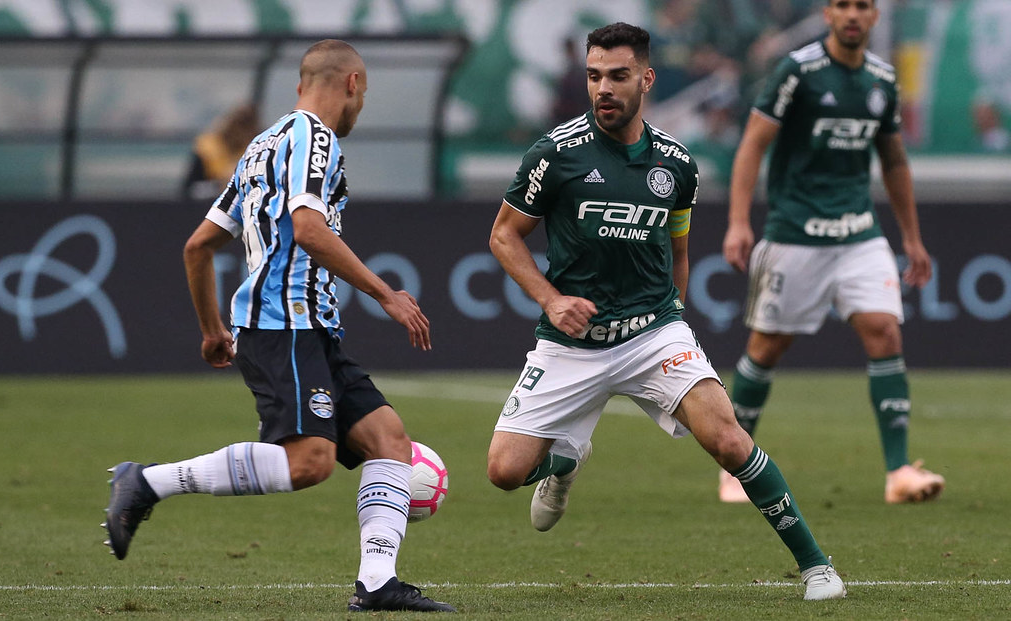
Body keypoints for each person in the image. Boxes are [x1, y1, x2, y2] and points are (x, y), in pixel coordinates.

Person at [486, 22, 846, 601]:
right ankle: (563, 464)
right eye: (595, 75)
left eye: (618, 76)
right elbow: (504, 236)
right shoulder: (555, 154)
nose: (604, 88)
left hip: (651, 332)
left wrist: (673, 319)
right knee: (504, 472)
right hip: (570, 344)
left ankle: (817, 567)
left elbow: (677, 250)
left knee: (729, 439)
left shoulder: (677, 165)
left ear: (646, 78)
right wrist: (551, 299)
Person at [102, 39, 455, 614]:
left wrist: (213, 328)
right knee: (308, 463)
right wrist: (385, 294)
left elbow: (198, 246)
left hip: (304, 326)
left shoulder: (260, 147)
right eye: (363, 93)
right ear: (354, 84)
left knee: (390, 441)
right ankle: (147, 482)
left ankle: (377, 584)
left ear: (299, 84)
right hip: (282, 323)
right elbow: (311, 229)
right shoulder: (317, 140)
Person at [718, 0, 946, 505]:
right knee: (766, 348)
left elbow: (893, 160)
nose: (852, 14)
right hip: (795, 234)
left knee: (884, 331)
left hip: (858, 233)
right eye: (842, 4)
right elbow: (754, 144)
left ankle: (899, 471)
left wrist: (911, 238)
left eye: (862, 5)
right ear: (827, 13)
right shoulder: (797, 71)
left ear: (874, 17)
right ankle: (734, 465)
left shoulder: (883, 80)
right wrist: (738, 222)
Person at [182, 102, 260, 200]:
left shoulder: (258, 149)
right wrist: (219, 185)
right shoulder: (207, 149)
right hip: (209, 204)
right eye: (238, 125)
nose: (240, 132)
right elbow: (190, 190)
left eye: (246, 127)